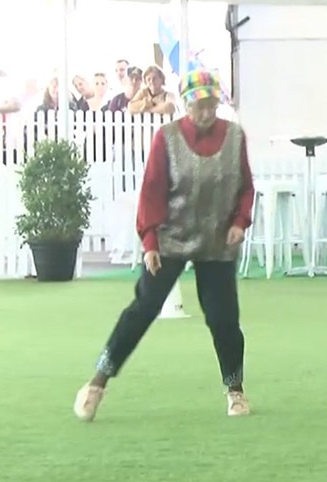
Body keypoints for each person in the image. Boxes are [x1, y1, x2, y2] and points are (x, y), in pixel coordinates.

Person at [73, 69, 255, 421]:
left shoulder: (234, 137)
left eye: (212, 104)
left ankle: (235, 390)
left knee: (223, 318)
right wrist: (150, 240)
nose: (206, 112)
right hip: (170, 237)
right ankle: (96, 383)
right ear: (185, 104)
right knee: (143, 309)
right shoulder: (166, 138)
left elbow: (246, 186)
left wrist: (239, 222)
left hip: (217, 240)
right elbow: (152, 191)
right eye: (199, 105)